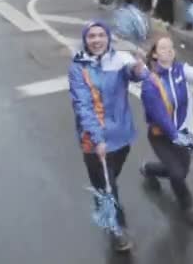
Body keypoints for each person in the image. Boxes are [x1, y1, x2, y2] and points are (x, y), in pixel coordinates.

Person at [68, 21, 148, 251]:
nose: (96, 40)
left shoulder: (119, 59)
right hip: (94, 142)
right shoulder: (78, 66)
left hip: (122, 137)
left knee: (111, 179)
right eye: (91, 36)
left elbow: (138, 75)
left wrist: (139, 67)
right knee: (106, 187)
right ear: (85, 40)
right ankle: (115, 230)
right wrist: (96, 138)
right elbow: (82, 105)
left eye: (101, 35)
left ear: (108, 38)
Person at [139, 35, 193, 226]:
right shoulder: (150, 82)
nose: (168, 51)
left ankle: (148, 169)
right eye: (163, 48)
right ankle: (186, 206)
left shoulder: (181, 70)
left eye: (171, 48)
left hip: (181, 133)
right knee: (177, 174)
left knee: (181, 171)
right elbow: (160, 117)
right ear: (154, 54)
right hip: (161, 136)